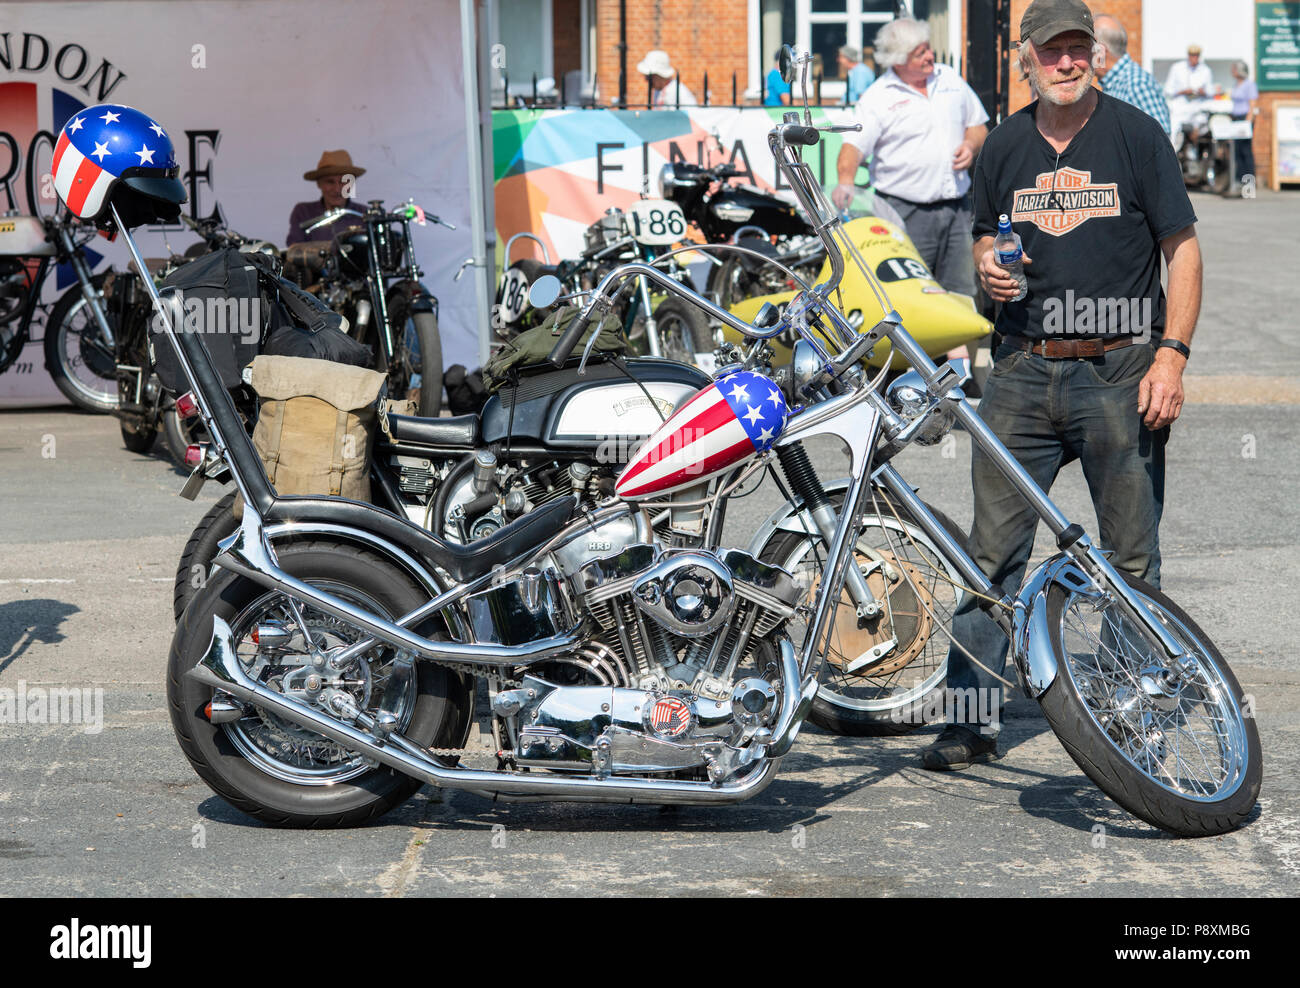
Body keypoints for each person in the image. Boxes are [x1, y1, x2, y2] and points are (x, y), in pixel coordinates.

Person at [921, 0, 1202, 770]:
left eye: (1079, 49)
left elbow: (1181, 250)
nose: (1068, 62)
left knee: (1128, 559)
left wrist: (1172, 354)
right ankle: (969, 719)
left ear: (1096, 57)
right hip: (1020, 368)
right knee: (989, 559)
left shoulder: (1135, 137)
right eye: (1053, 52)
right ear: (1027, 61)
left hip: (1120, 366)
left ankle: (1129, 715)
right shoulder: (1006, 145)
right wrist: (987, 265)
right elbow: (987, 231)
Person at [832, 18, 988, 365]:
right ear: (898, 60)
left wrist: (970, 144)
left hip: (957, 207)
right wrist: (844, 183)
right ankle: (907, 376)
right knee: (909, 295)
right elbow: (852, 148)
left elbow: (978, 124)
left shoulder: (949, 78)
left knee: (960, 290)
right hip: (904, 211)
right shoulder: (879, 97)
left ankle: (961, 376)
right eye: (919, 53)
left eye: (927, 48)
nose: (929, 56)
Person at [1092, 12, 1171, 135]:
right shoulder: (1116, 84)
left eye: (1085, 47)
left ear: (1100, 51)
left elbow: (1160, 143)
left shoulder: (1136, 84)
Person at [286, 150, 366, 247]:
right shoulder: (303, 212)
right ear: (319, 184)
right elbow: (294, 250)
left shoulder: (365, 214)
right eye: (330, 182)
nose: (337, 189)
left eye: (343, 182)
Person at [1165, 43, 1214, 136]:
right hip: (1180, 107)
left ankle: (1196, 146)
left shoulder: (1205, 70)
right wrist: (1183, 92)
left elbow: (1211, 92)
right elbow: (1168, 90)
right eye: (1192, 55)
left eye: (1196, 56)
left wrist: (1202, 92)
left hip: (1198, 106)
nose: (1194, 58)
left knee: (1203, 126)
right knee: (1174, 126)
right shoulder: (1177, 68)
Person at [1229, 59, 1259, 194]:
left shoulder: (1249, 84)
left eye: (1235, 69)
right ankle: (1239, 181)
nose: (1232, 71)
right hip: (1236, 118)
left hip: (1245, 119)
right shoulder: (1237, 84)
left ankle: (1249, 184)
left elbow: (1252, 104)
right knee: (1236, 151)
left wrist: (1248, 121)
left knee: (1245, 151)